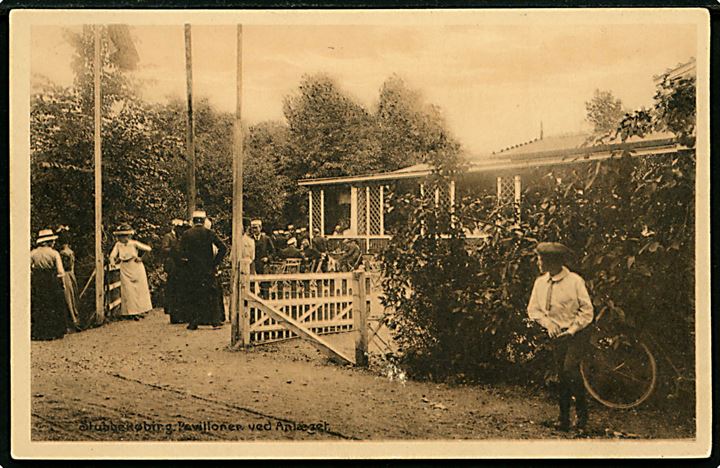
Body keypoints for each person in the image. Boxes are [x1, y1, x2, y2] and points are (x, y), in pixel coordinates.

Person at [527, 242, 594, 432]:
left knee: (570, 370)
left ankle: (582, 417)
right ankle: (563, 419)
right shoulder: (540, 283)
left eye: (541, 259)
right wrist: (548, 324)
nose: (538, 263)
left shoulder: (574, 281)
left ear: (553, 261)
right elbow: (534, 310)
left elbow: (587, 311)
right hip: (557, 334)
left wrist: (572, 330)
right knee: (562, 375)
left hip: (577, 332)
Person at [179, 210, 228, 330]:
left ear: (193, 221)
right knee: (211, 294)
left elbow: (180, 252)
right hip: (208, 269)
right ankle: (215, 321)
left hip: (192, 269)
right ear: (204, 220)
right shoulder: (209, 233)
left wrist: (186, 262)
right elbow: (223, 248)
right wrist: (214, 263)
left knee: (193, 294)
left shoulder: (187, 234)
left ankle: (193, 322)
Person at [109, 224, 153, 320]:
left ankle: (140, 310)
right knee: (128, 290)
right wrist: (112, 263)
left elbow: (148, 249)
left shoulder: (134, 243)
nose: (121, 238)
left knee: (139, 289)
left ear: (128, 236)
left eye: (124, 236)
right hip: (125, 267)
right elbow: (112, 256)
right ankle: (130, 312)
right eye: (120, 236)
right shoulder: (118, 245)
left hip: (136, 266)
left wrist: (141, 258)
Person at [30, 228, 67, 340]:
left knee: (40, 305)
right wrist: (62, 284)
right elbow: (60, 271)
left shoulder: (32, 253)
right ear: (48, 242)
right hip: (51, 280)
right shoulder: (54, 253)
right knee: (53, 304)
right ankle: (54, 332)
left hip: (38, 281)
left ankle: (40, 333)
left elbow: (28, 269)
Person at [56, 226, 80, 331]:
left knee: (68, 299)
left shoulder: (63, 253)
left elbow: (63, 267)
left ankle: (72, 323)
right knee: (72, 297)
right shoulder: (70, 251)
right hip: (71, 274)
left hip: (65, 275)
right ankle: (75, 321)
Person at [161, 219, 184, 323]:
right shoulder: (168, 236)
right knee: (172, 289)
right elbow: (164, 249)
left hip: (179, 265)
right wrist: (173, 250)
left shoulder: (181, 237)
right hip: (171, 265)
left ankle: (180, 314)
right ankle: (172, 313)